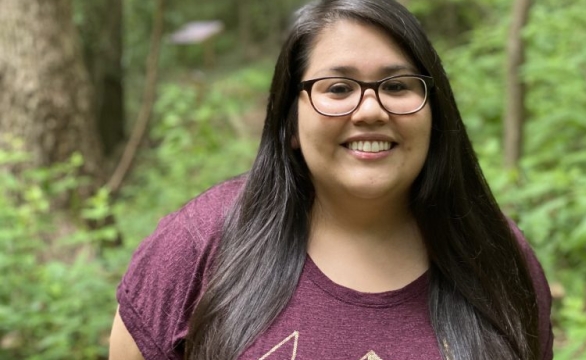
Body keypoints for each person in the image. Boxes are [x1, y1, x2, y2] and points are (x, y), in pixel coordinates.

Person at [109, 0, 553, 359]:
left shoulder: (495, 256)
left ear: (434, 113)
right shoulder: (198, 243)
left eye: (398, 86)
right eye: (338, 89)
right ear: (289, 124)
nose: (371, 110)